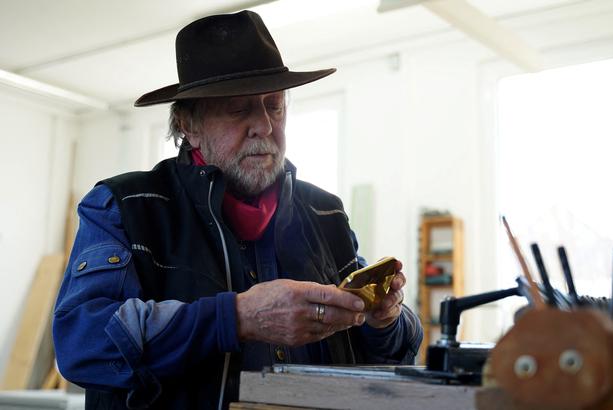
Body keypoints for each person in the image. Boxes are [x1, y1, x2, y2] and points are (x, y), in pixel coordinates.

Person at [53, 10, 423, 410]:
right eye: (238, 109)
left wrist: (384, 322)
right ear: (188, 124)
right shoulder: (124, 207)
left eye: (274, 106)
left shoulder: (326, 214)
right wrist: (237, 318)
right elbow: (81, 343)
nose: (264, 125)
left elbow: (388, 355)